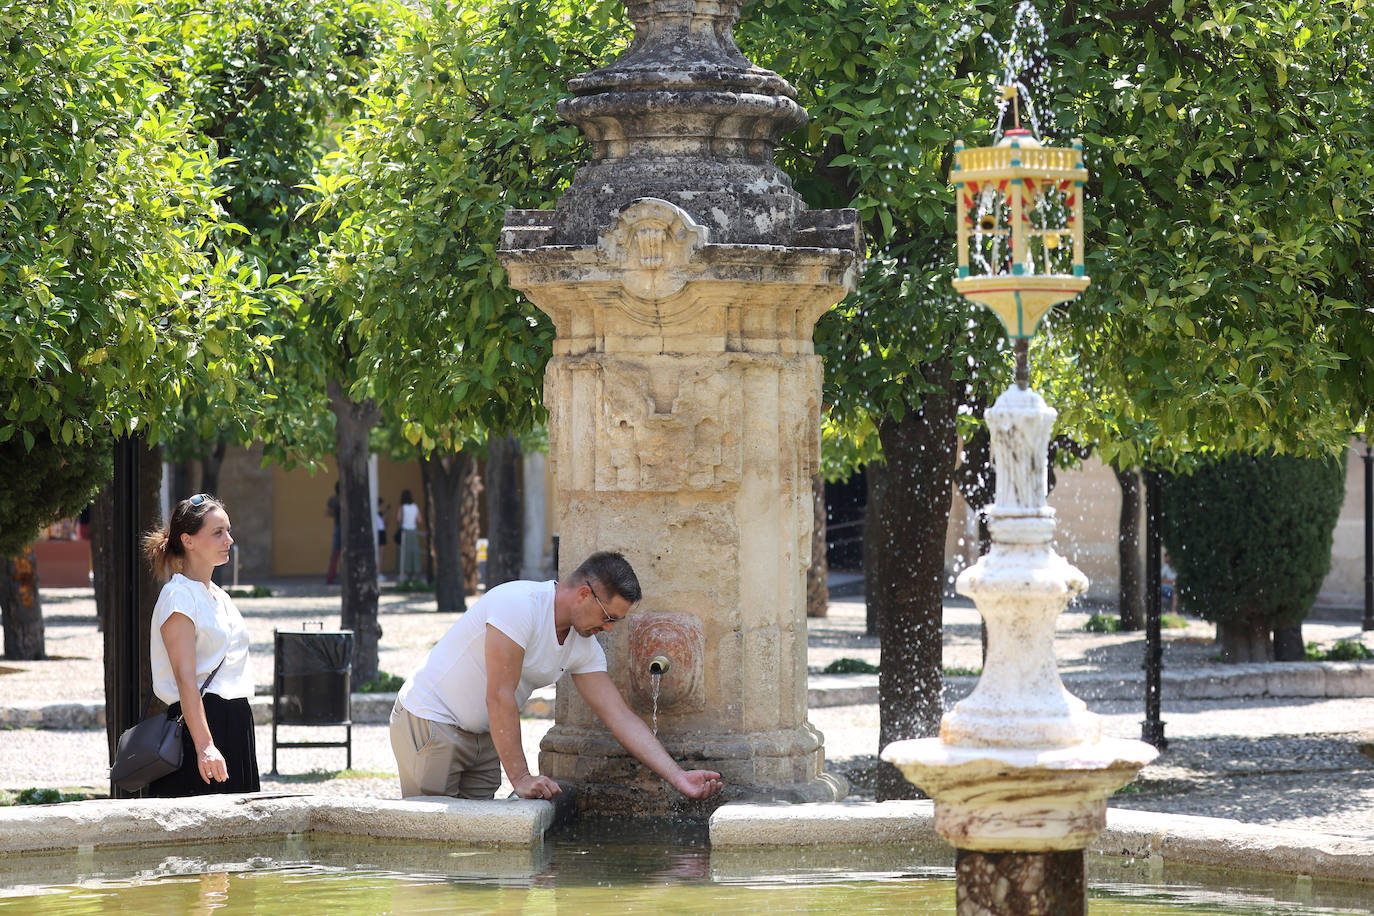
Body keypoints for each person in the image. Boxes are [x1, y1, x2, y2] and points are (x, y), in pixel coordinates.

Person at [390, 551, 723, 802]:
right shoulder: (518, 605)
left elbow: (619, 717)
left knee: (477, 855)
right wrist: (521, 778)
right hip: (431, 722)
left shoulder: (583, 645)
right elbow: (500, 696)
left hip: (485, 737)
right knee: (430, 854)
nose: (608, 629)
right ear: (583, 594)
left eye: (615, 622)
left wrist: (678, 777)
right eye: (608, 617)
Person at [141, 494, 259, 796]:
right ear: (188, 540)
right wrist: (205, 745)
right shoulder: (179, 596)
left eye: (228, 530)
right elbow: (185, 678)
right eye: (218, 532)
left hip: (236, 719)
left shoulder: (220, 596)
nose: (229, 539)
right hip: (201, 726)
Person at [395, 489, 423, 581]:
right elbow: (420, 520)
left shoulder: (402, 507)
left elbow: (398, 519)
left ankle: (404, 572)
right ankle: (414, 573)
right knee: (413, 552)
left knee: (404, 552)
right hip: (413, 532)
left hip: (404, 532)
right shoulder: (415, 507)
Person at [325, 483, 341, 585]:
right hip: (345, 529)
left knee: (335, 554)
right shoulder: (346, 498)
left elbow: (327, 513)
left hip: (338, 527)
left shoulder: (333, 499)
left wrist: (335, 513)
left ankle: (331, 578)